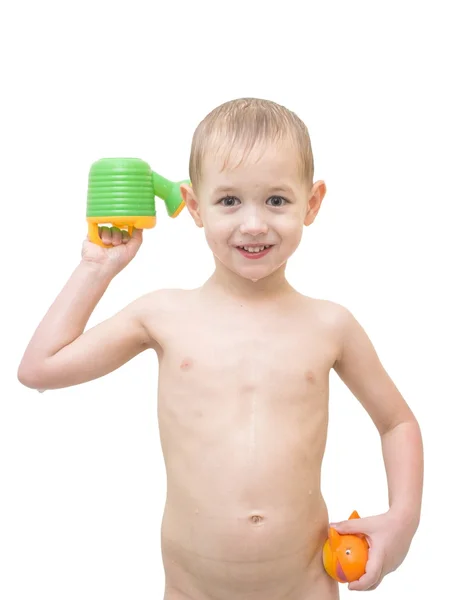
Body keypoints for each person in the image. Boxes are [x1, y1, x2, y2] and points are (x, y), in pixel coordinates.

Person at [18, 98, 423, 600]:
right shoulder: (162, 315)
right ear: (193, 206)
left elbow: (397, 422)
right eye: (229, 201)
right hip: (195, 590)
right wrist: (99, 267)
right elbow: (40, 368)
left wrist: (403, 520)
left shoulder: (330, 324)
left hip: (304, 587)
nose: (253, 225)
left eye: (276, 200)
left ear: (312, 204)